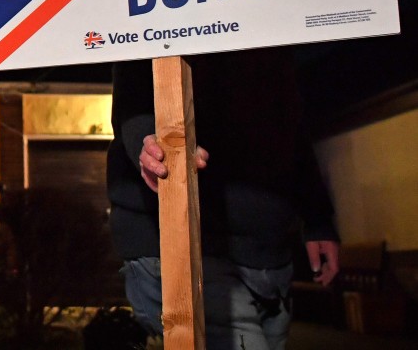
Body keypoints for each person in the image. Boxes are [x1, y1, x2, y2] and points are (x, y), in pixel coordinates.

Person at [106, 48, 340, 350]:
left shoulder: (270, 25)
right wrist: (152, 143)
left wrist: (318, 217)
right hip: (189, 239)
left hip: (268, 246)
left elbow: (289, 120)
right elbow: (135, 90)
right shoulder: (152, 25)